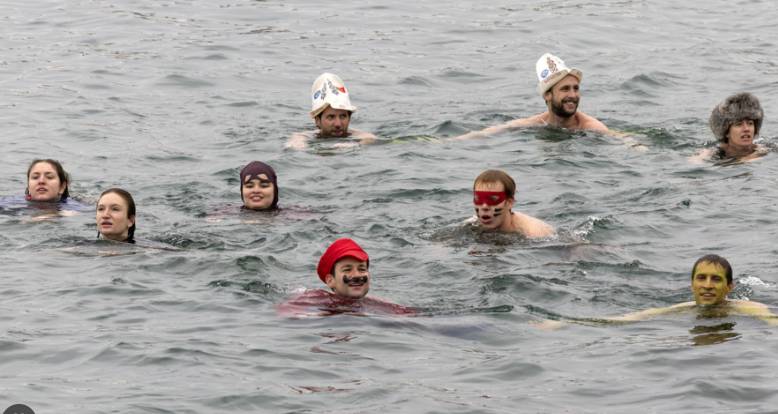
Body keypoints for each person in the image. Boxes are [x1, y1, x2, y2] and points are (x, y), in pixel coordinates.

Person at [539, 255, 778, 328]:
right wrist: (565, 323)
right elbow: (625, 320)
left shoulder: (747, 308)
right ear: (691, 285)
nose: (707, 285)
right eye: (701, 278)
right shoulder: (680, 310)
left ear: (729, 287)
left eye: (715, 279)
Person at [455, 53, 609, 140]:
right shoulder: (535, 123)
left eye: (576, 88)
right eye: (565, 89)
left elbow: (619, 139)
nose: (573, 95)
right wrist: (448, 142)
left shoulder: (591, 127)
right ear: (547, 94)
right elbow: (493, 131)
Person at [277, 238, 415, 316]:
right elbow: (286, 314)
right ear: (330, 280)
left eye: (362, 269)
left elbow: (410, 316)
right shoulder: (315, 297)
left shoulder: (376, 303)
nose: (356, 275)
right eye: (347, 269)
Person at [286, 73, 377, 150]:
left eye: (343, 116)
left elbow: (370, 138)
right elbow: (296, 141)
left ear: (349, 118)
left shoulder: (355, 134)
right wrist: (299, 146)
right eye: (331, 117)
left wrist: (355, 145)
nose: (338, 124)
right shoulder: (307, 136)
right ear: (317, 120)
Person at [469, 169, 555, 238]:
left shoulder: (536, 233)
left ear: (509, 202)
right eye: (478, 199)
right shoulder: (472, 224)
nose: (484, 206)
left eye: (493, 199)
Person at [689, 92, 766, 163]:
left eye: (750, 123)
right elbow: (694, 163)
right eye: (738, 124)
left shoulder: (766, 150)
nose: (746, 129)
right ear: (726, 132)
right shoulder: (713, 152)